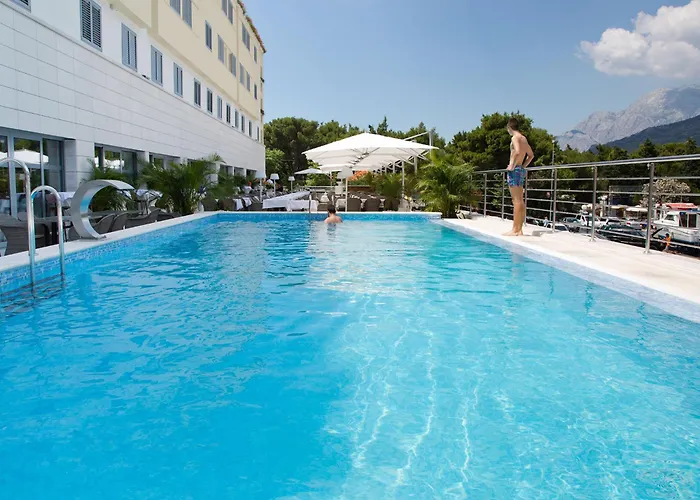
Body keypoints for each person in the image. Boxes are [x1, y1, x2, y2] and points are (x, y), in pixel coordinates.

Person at [505, 118, 535, 236]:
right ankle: (519, 229)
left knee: (516, 200)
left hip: (514, 170)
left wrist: (512, 165)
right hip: (520, 170)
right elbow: (531, 155)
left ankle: (515, 230)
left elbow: (517, 151)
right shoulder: (524, 138)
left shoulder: (515, 138)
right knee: (520, 201)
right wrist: (522, 166)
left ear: (509, 127)